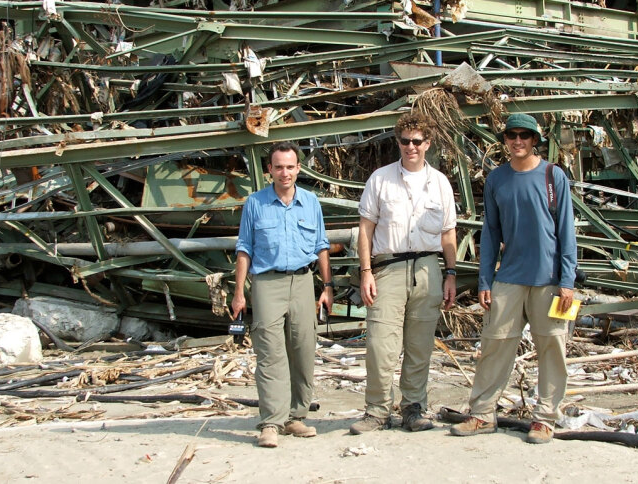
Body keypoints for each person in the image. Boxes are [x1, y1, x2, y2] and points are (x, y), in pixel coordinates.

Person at [451, 113, 577, 444]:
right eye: (511, 135)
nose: (517, 141)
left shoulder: (554, 176)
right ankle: (482, 414)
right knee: (495, 344)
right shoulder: (497, 180)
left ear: (536, 140)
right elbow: (490, 233)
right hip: (508, 277)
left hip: (550, 280)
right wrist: (485, 281)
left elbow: (566, 232)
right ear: (504, 140)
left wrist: (568, 280)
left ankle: (545, 418)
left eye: (524, 135)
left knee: (552, 346)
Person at [349, 111, 458, 434]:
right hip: (389, 268)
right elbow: (365, 229)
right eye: (405, 141)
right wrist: (366, 271)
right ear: (398, 142)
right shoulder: (380, 179)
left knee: (420, 344)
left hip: (427, 269)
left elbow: (448, 234)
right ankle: (377, 411)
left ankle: (413, 408)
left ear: (428, 143)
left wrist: (450, 274)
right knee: (381, 344)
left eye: (417, 141)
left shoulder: (439, 183)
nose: (411, 147)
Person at [231, 141, 334, 448]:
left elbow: (321, 246)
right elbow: (244, 249)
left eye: (290, 167)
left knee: (303, 349)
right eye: (278, 167)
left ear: (298, 169)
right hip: (266, 284)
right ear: (269, 171)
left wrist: (326, 287)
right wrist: (239, 293)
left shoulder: (311, 201)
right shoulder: (255, 203)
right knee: (270, 354)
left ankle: (295, 417)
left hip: (303, 282)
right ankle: (271, 423)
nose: (284, 173)